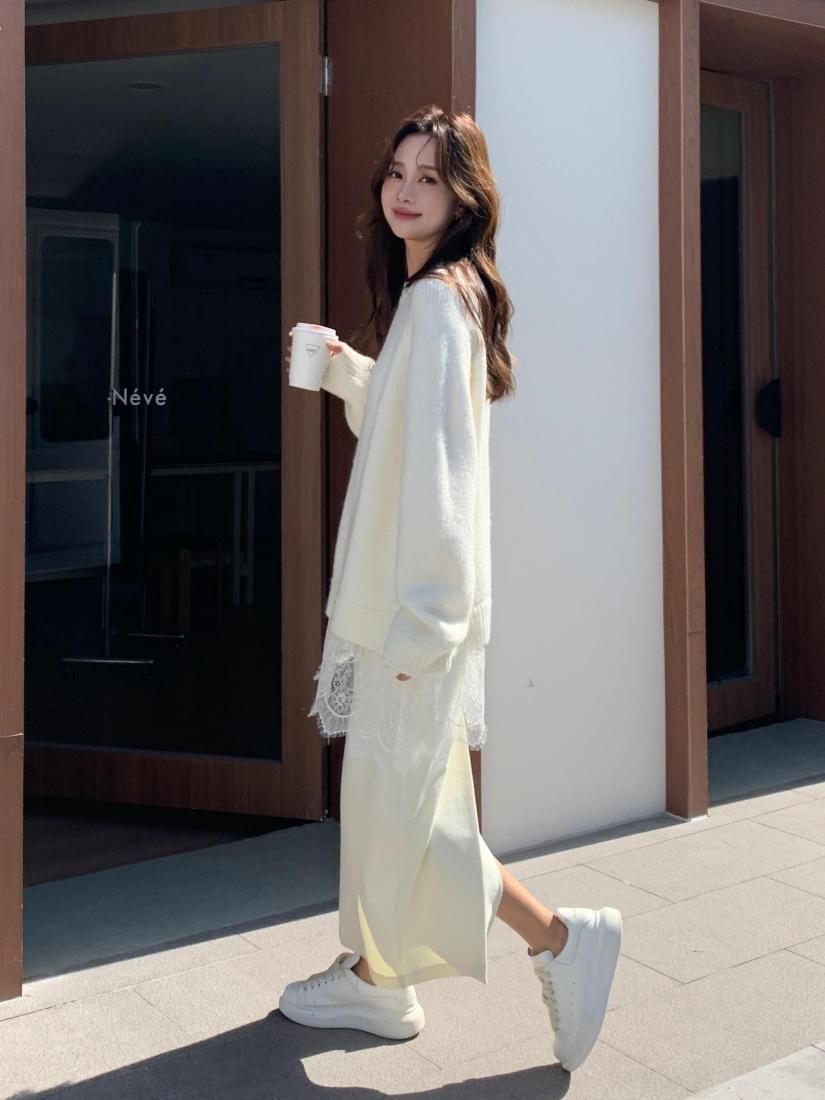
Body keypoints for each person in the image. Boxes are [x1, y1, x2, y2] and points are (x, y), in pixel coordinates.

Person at [278, 105, 622, 1074]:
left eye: (428, 177)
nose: (404, 190)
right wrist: (347, 370)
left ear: (463, 196)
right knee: (405, 811)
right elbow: (408, 432)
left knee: (411, 820)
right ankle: (381, 976)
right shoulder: (441, 298)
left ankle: (557, 940)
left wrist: (423, 627)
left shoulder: (436, 305)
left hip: (412, 619)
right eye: (397, 172)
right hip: (411, 614)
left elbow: (437, 484)